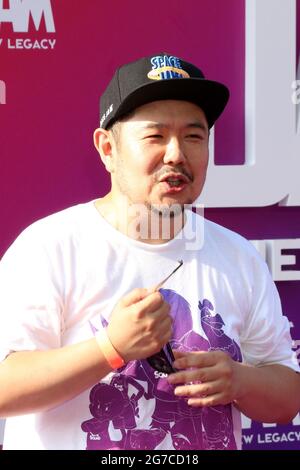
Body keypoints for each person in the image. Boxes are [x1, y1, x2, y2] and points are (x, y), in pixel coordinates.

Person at [0, 53, 299, 451]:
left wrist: (239, 380)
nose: (176, 154)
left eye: (194, 136)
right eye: (155, 136)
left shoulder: (238, 256)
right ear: (107, 148)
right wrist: (110, 348)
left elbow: (287, 396)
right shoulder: (50, 247)